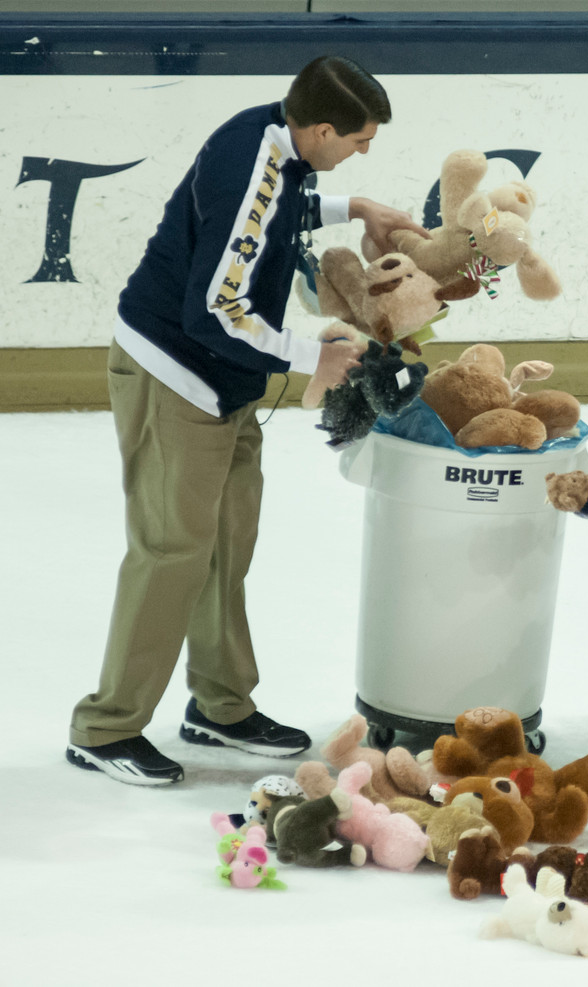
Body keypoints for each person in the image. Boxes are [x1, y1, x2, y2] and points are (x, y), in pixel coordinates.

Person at [66, 55, 429, 786]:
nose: (363, 151)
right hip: (173, 374)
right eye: (359, 140)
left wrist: (353, 207)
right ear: (321, 129)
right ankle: (106, 729)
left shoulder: (277, 139)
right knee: (171, 551)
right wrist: (311, 355)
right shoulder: (247, 170)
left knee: (226, 545)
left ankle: (221, 706)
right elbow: (215, 310)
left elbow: (277, 213)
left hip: (224, 381)